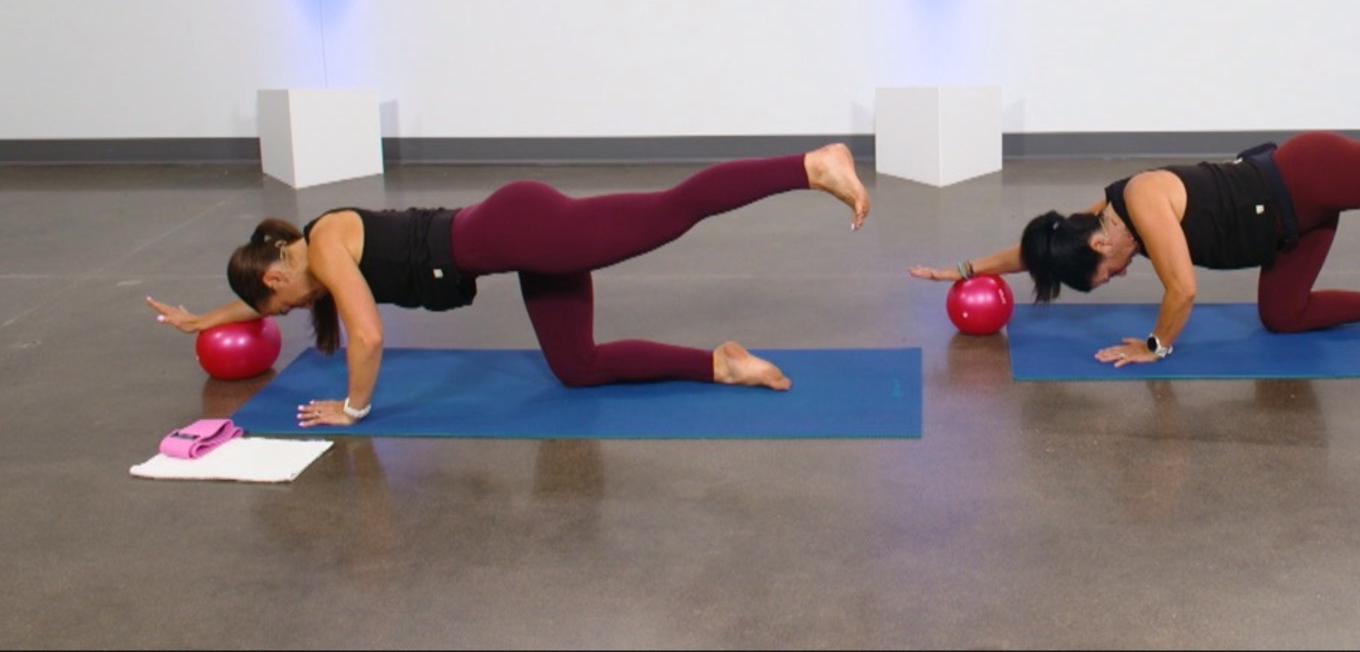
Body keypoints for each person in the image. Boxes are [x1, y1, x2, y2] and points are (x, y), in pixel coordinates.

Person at [910, 81, 1360, 367]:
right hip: (1292, 227)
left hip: (1314, 175)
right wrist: (968, 270)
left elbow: (1183, 291)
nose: (1116, 275)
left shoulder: (1146, 208)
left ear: (1102, 245)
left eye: (1104, 273)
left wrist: (1155, 346)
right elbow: (1039, 249)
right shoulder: (1097, 222)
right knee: (1282, 317)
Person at [148, 144, 871, 425]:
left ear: (279, 273)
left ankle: (811, 166)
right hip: (520, 244)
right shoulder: (309, 255)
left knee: (667, 212)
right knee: (577, 369)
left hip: (524, 230)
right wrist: (205, 320)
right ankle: (722, 362)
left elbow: (368, 334)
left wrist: (353, 407)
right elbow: (299, 298)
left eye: (277, 302)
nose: (290, 311)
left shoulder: (329, 244)